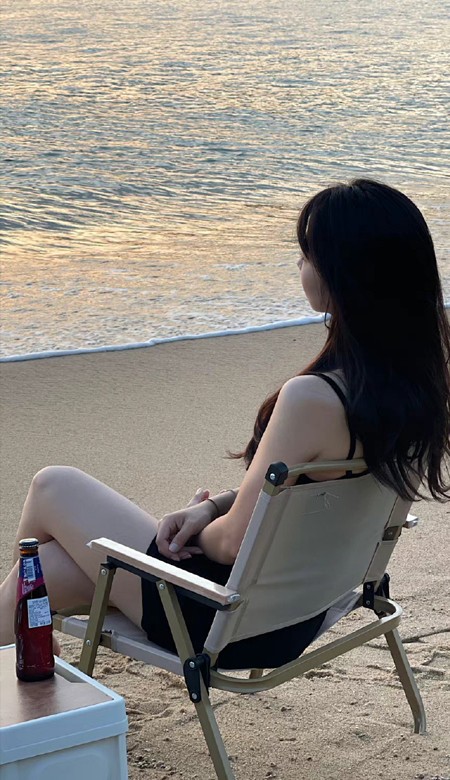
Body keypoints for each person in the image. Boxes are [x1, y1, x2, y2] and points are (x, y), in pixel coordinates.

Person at [1, 179, 449, 666]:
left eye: (307, 255)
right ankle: (21, 654)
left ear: (345, 273)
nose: (300, 266)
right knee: (48, 568)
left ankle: (27, 656)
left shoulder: (315, 398)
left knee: (53, 485)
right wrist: (210, 508)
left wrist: (192, 534)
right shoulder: (421, 382)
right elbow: (302, 491)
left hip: (221, 622)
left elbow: (234, 544)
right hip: (298, 612)